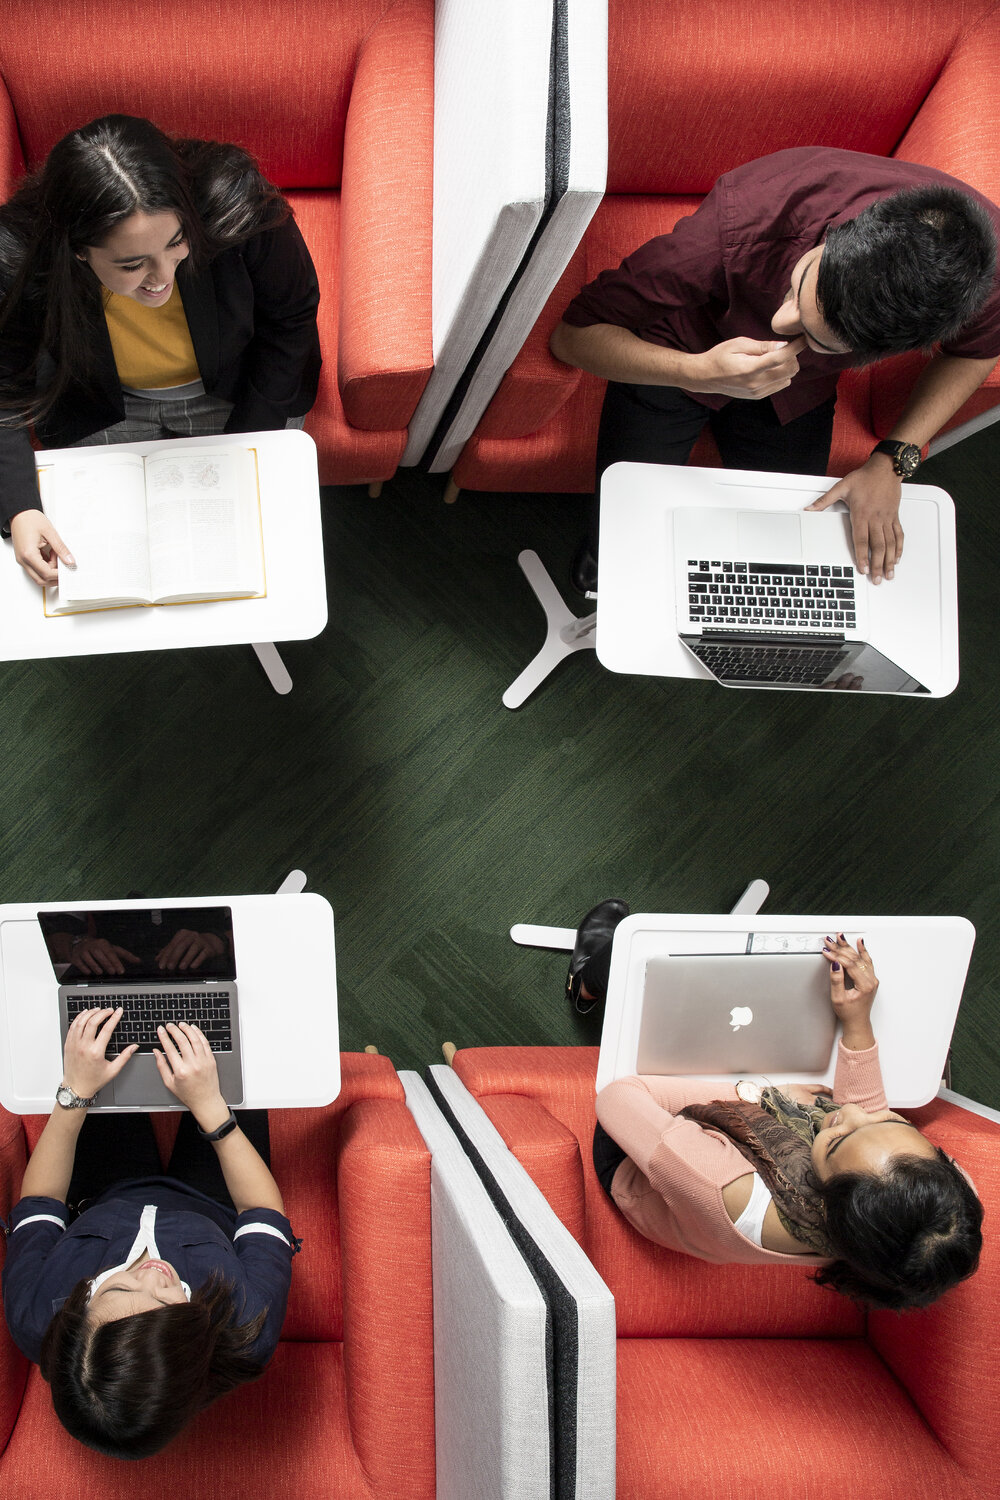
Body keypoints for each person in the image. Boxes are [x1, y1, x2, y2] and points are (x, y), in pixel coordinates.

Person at [550, 147, 1000, 592]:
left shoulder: (984, 277)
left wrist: (892, 462)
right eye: (799, 284)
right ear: (836, 237)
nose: (779, 324)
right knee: (619, 528)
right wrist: (696, 372)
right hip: (681, 349)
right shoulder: (743, 221)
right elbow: (571, 337)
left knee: (785, 552)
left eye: (816, 335)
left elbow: (973, 353)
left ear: (886, 353)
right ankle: (604, 552)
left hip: (801, 388)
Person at [571, 900, 983, 1311]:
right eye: (893, 1122)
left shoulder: (724, 1185)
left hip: (638, 1165)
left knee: (669, 997)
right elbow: (865, 1124)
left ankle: (587, 978)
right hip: (738, 1139)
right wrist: (857, 1021)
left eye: (836, 1141)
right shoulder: (926, 1213)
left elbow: (618, 1097)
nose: (850, 1111)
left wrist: (767, 1093)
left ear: (829, 1202)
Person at [0, 113, 321, 587]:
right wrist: (19, 507)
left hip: (238, 388)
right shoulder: (18, 253)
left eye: (176, 243)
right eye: (132, 264)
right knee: (98, 563)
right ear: (78, 251)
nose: (162, 277)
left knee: (257, 549)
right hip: (100, 406)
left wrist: (247, 441)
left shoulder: (238, 204)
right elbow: (3, 382)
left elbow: (291, 318)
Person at [1, 1006, 298, 1458]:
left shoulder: (34, 1315)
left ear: (78, 1310)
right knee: (236, 1029)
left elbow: (40, 1205)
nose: (152, 1275)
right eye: (168, 1300)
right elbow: (261, 1210)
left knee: (105, 1018)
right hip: (214, 1202)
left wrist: (75, 1092)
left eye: (117, 1288)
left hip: (104, 1193)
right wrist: (211, 1109)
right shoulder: (244, 1330)